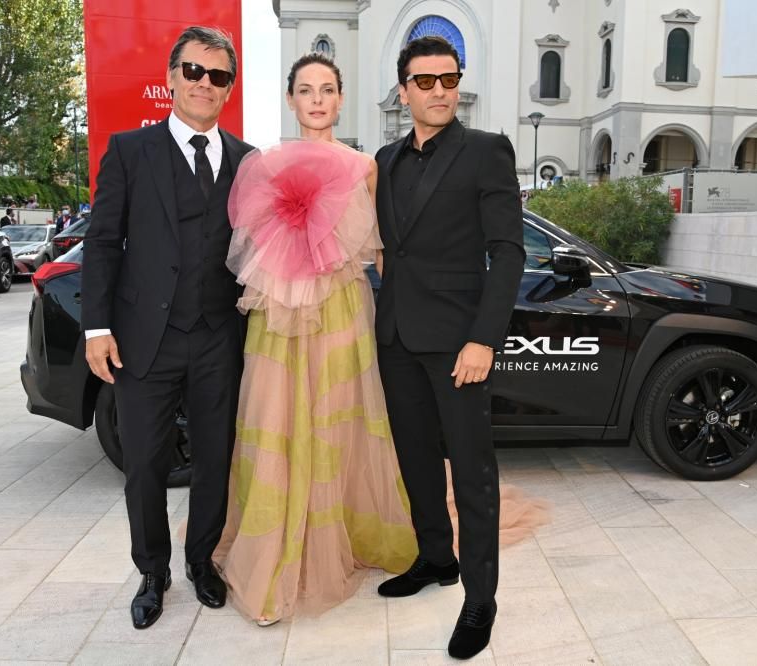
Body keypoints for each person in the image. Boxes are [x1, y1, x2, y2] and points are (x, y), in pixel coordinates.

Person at [212, 52, 417, 626]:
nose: (318, 99)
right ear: (291, 99)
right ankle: (275, 549)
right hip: (279, 313)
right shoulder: (264, 164)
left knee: (335, 421)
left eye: (327, 89)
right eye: (306, 90)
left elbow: (381, 250)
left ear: (341, 98)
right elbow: (249, 245)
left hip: (341, 309)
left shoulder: (364, 166)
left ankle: (336, 535)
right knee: (278, 419)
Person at [81, 25, 253, 630]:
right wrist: (96, 328)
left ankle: (202, 561)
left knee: (214, 458)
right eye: (194, 71)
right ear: (172, 78)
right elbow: (103, 241)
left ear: (228, 88)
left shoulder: (247, 161)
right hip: (142, 338)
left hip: (218, 336)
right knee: (146, 464)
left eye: (218, 75)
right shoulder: (131, 150)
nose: (205, 83)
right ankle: (152, 572)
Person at [373, 36, 525, 660]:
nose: (439, 91)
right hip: (396, 338)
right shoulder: (384, 159)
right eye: (425, 81)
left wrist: (483, 338)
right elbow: (389, 248)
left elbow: (508, 252)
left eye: (449, 79)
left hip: (460, 344)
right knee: (415, 462)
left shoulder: (486, 151)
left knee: (472, 473)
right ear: (403, 90)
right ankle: (436, 557)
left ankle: (481, 598)